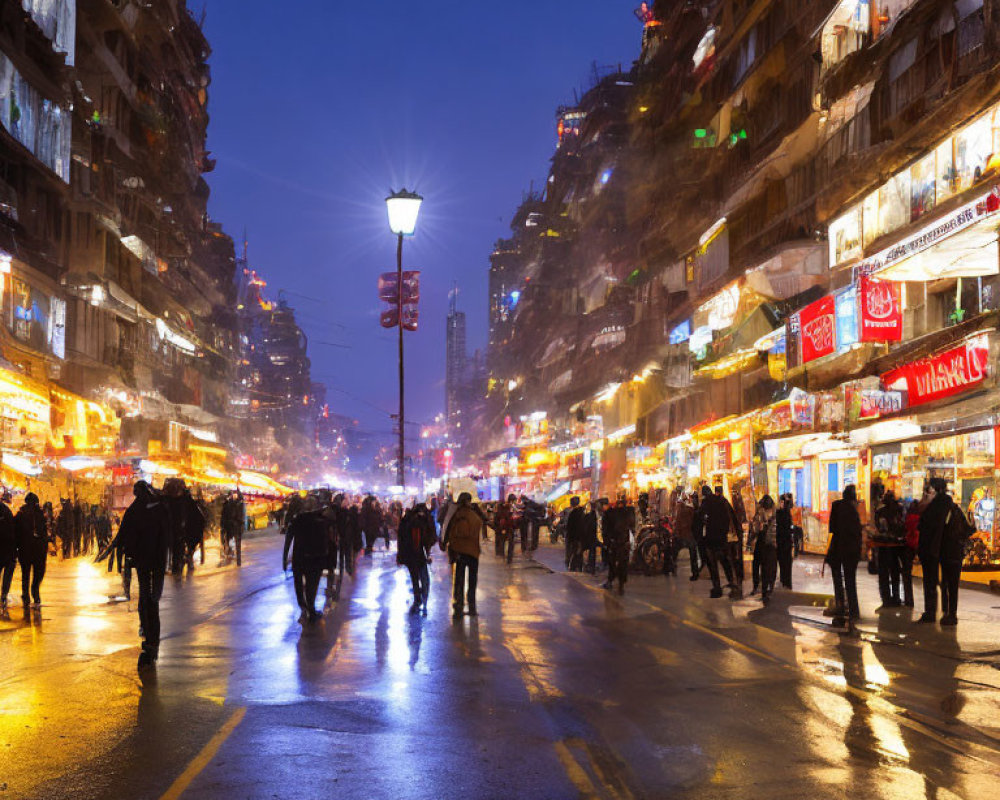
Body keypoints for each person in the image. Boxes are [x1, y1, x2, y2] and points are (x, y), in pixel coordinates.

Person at [118, 481, 170, 668]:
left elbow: (125, 537)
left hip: (146, 563)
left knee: (147, 600)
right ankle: (151, 642)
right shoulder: (158, 510)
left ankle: (150, 643)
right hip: (153, 563)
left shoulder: (136, 511)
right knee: (151, 600)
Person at [917, 477, 969, 626]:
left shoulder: (935, 507)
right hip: (953, 550)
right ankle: (949, 614)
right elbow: (966, 528)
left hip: (938, 550)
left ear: (935, 490)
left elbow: (924, 527)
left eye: (930, 489)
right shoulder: (953, 506)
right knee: (950, 584)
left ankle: (933, 612)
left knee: (933, 582)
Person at [283, 495, 328, 622]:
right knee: (312, 585)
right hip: (315, 558)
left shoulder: (297, 520)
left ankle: (303, 607)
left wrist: (285, 558)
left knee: (298, 584)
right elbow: (325, 541)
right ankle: (311, 610)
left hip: (299, 558)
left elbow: (288, 540)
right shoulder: (321, 520)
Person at [441, 492, 482, 619]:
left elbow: (448, 530)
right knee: (472, 580)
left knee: (459, 580)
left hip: (459, 552)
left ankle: (458, 606)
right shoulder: (475, 515)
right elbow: (481, 525)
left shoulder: (455, 515)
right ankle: (472, 607)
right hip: (473, 553)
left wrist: (445, 543)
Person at [826, 484, 862, 625]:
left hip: (838, 549)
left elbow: (832, 529)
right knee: (850, 581)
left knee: (838, 579)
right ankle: (854, 611)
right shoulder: (854, 510)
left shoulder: (837, 506)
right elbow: (857, 532)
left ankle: (841, 605)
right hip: (851, 551)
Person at [397, 502, 436, 614]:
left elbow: (401, 538)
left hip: (410, 554)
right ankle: (422, 599)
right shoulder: (426, 519)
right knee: (423, 577)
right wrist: (428, 550)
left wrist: (400, 555)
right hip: (421, 554)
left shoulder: (407, 519)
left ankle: (417, 599)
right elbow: (432, 537)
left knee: (414, 577)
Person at [700, 485, 738, 599]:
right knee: (725, 561)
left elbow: (701, 518)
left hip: (711, 537)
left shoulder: (705, 503)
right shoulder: (722, 500)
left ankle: (717, 588)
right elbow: (730, 516)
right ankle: (732, 583)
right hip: (722, 537)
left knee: (713, 565)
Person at [873, 490, 906, 610]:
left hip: (883, 545)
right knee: (895, 572)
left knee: (884, 574)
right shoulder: (900, 510)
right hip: (896, 546)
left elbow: (879, 527)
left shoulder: (881, 511)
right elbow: (902, 526)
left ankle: (886, 599)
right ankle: (896, 597)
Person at [15, 493, 49, 609]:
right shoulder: (40, 515)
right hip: (38, 551)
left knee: (25, 574)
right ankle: (35, 592)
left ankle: (26, 596)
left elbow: (16, 533)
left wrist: (16, 548)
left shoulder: (20, 515)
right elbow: (44, 534)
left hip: (25, 550)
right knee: (37, 573)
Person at [601, 494, 634, 595]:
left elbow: (605, 530)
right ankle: (621, 584)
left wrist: (606, 543)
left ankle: (611, 581)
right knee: (622, 563)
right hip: (624, 542)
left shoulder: (610, 514)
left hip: (614, 542)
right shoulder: (628, 513)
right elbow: (632, 527)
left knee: (612, 562)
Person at [749, 495, 778, 601]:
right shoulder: (762, 513)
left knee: (766, 567)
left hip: (769, 544)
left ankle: (765, 589)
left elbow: (755, 529)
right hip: (765, 543)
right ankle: (762, 588)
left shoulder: (774, 515)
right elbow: (755, 528)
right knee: (761, 566)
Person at [672, 491, 699, 581]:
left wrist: (676, 532)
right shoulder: (693, 510)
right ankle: (695, 573)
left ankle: (672, 567)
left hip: (683, 534)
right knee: (693, 554)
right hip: (689, 535)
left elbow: (678, 522)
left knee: (675, 551)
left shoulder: (683, 510)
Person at [0, 490, 16, 611]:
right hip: (8, 550)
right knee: (7, 574)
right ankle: (4, 595)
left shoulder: (7, 512)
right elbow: (13, 532)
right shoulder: (8, 512)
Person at [775, 494, 794, 589]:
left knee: (784, 562)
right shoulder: (783, 513)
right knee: (785, 562)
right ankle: (785, 581)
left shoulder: (782, 513)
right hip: (783, 541)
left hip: (783, 541)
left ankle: (785, 581)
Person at [565, 497, 586, 572]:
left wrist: (570, 537)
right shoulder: (582, 512)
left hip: (574, 537)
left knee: (575, 551)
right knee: (578, 552)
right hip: (579, 536)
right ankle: (578, 566)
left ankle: (573, 566)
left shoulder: (573, 513)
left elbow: (570, 527)